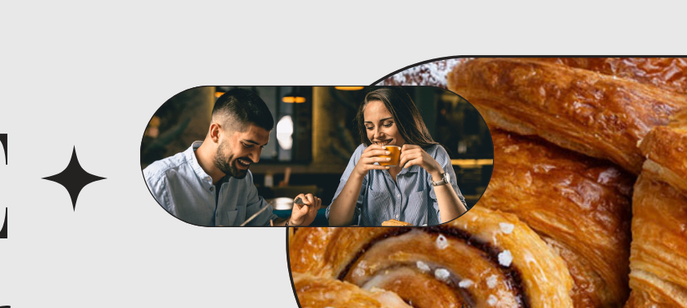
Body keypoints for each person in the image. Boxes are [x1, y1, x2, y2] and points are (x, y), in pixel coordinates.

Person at [144, 88, 318, 226]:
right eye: (248, 145)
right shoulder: (159, 181)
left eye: (261, 147)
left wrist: (293, 222)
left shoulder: (243, 180)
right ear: (216, 133)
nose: (256, 159)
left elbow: (267, 225)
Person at [327, 88, 466, 226]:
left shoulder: (435, 154)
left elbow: (457, 226)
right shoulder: (362, 153)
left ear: (405, 121)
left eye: (387, 124)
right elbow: (336, 222)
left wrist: (437, 172)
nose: (376, 135)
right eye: (369, 127)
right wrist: (358, 173)